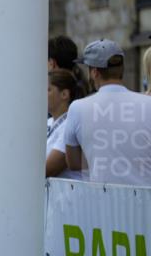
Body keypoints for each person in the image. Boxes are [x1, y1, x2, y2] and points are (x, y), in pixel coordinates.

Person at [63, 39, 151, 185]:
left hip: (101, 198)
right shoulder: (148, 103)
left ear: (95, 72)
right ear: (121, 69)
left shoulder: (77, 108)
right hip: (144, 198)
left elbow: (73, 163)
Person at [45, 69, 84, 179]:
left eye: (48, 89)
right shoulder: (48, 122)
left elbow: (48, 169)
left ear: (64, 94)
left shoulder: (71, 124)